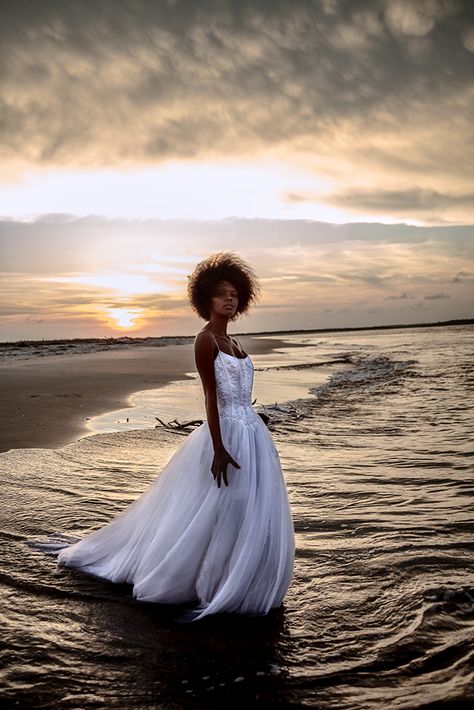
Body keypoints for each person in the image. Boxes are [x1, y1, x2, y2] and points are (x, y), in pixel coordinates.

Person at [57, 252, 295, 621]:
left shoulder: (233, 342)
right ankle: (202, 579)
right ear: (206, 300)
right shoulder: (206, 341)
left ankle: (229, 575)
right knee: (219, 505)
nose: (228, 299)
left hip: (252, 433)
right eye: (221, 294)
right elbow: (210, 396)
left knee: (244, 507)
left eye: (234, 294)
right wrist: (218, 447)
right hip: (226, 434)